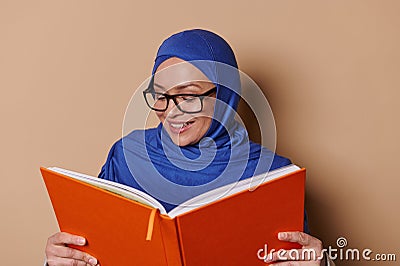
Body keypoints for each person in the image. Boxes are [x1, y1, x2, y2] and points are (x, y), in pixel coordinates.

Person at [45, 29, 332, 266]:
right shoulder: (126, 156)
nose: (171, 112)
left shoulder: (274, 174)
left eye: (189, 96)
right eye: (160, 96)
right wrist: (59, 260)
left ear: (225, 95)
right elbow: (95, 253)